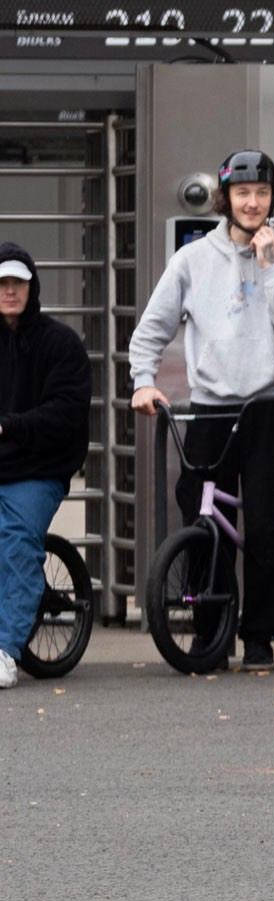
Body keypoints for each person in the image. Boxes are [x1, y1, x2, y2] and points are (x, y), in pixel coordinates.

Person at [129, 149, 274, 672]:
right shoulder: (192, 259)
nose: (252, 202)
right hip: (211, 408)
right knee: (203, 518)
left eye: (262, 193)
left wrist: (269, 265)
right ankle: (210, 634)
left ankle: (259, 636)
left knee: (265, 520)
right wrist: (144, 382)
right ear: (225, 198)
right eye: (242, 193)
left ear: (273, 199)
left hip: (269, 405)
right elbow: (151, 329)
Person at [0, 243, 91, 689]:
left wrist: (10, 426)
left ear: (32, 287)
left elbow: (67, 412)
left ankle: (4, 650)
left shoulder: (61, 344)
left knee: (17, 542)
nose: (9, 290)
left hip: (39, 468)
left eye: (17, 282)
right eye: (2, 282)